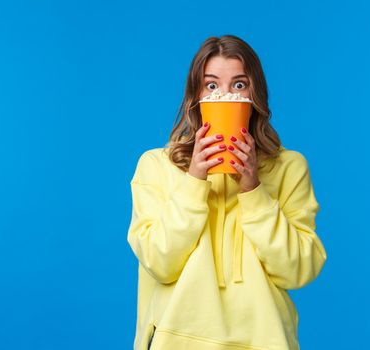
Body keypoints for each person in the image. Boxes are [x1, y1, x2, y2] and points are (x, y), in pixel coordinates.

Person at [127, 34, 327, 350]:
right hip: (175, 340)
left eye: (238, 85)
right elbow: (159, 261)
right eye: (211, 85)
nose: (224, 95)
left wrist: (254, 190)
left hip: (264, 341)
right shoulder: (155, 165)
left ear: (254, 95)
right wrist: (194, 180)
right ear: (195, 95)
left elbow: (299, 270)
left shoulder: (289, 167)